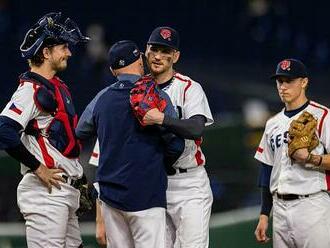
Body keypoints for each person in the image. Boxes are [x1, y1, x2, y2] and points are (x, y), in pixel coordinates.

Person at [75, 40, 184, 248]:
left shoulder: (101, 98)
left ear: (112, 70)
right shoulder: (156, 96)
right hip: (147, 196)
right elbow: (176, 144)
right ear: (141, 61)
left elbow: (81, 131)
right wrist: (163, 162)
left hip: (111, 198)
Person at [0, 12, 89, 247]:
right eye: (63, 47)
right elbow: (4, 130)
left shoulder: (57, 86)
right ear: (46, 52)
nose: (69, 52)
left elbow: (61, 144)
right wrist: (38, 167)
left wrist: (79, 179)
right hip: (45, 194)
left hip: (62, 192)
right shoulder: (29, 90)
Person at [142, 26, 214, 248]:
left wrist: (162, 119)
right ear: (146, 50)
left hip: (189, 183)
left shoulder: (189, 88)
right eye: (154, 49)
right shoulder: (137, 90)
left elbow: (196, 128)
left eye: (166, 51)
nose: (158, 56)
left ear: (176, 56)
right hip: (154, 183)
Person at [254, 58, 330, 248]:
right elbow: (266, 171)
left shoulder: (322, 116)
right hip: (279, 211)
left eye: (289, 81)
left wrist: (312, 158)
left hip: (311, 205)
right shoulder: (272, 123)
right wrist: (264, 215)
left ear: (304, 82)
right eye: (280, 81)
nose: (283, 87)